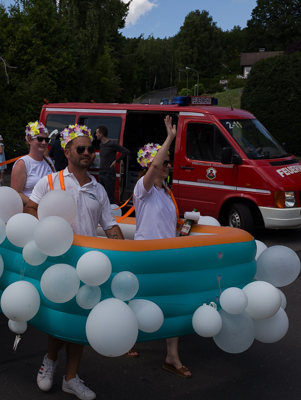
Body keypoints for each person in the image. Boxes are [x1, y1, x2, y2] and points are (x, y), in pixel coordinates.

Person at [25, 124, 124, 400]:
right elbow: (30, 208)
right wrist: (42, 231)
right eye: (81, 149)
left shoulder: (98, 189)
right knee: (61, 320)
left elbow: (110, 226)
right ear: (67, 152)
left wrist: (124, 252)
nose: (87, 153)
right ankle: (50, 361)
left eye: (91, 149)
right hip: (58, 262)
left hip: (89, 264)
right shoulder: (50, 182)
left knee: (80, 321)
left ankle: (71, 378)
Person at [132, 116, 191, 378]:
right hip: (147, 255)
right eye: (164, 162)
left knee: (172, 304)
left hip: (168, 255)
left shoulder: (167, 192)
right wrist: (170, 137)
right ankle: (127, 338)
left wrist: (184, 229)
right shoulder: (142, 189)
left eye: (169, 162)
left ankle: (171, 357)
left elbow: (167, 226)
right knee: (140, 300)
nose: (168, 166)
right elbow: (155, 164)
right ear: (150, 165)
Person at [11, 121, 55, 206]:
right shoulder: (22, 164)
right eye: (40, 139)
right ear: (29, 140)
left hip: (49, 209)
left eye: (46, 140)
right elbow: (16, 193)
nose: (44, 142)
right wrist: (38, 205)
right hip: (31, 210)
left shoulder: (49, 161)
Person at [95, 126, 130, 204]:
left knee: (110, 197)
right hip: (101, 174)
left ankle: (112, 211)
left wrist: (116, 161)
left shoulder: (112, 144)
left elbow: (126, 152)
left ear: (101, 134)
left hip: (109, 175)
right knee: (101, 196)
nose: (95, 135)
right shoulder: (101, 145)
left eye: (97, 133)